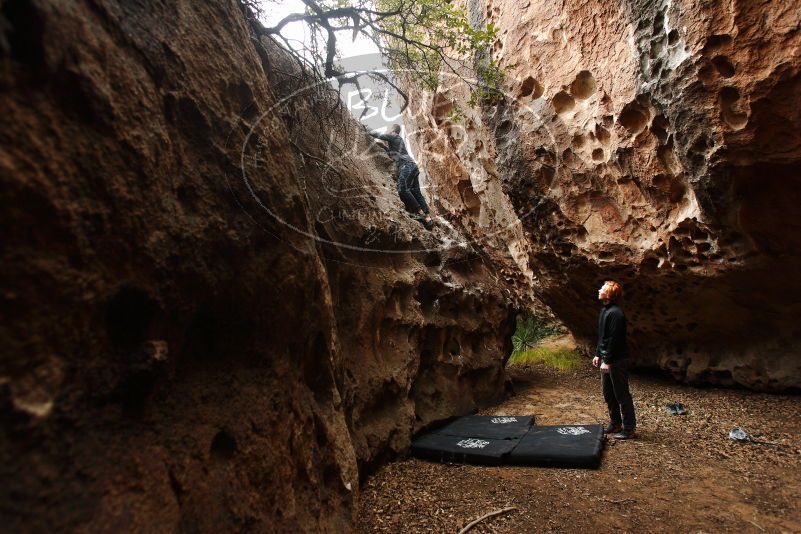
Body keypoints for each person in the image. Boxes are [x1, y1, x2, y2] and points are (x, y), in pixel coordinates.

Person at [592, 280, 636, 439]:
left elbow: (614, 340)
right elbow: (602, 336)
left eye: (602, 288)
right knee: (608, 393)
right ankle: (616, 423)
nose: (599, 290)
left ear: (610, 294)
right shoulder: (605, 311)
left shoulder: (616, 314)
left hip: (617, 360)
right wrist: (598, 354)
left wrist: (607, 361)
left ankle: (629, 429)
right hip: (608, 358)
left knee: (621, 394)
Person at [368, 124, 434, 230]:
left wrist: (366, 128)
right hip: (412, 166)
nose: (388, 131)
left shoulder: (394, 136)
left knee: (402, 188)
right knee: (416, 192)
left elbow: (377, 134)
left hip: (407, 165)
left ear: (393, 130)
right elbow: (392, 153)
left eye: (388, 129)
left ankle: (421, 214)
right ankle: (428, 218)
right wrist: (384, 147)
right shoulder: (397, 141)